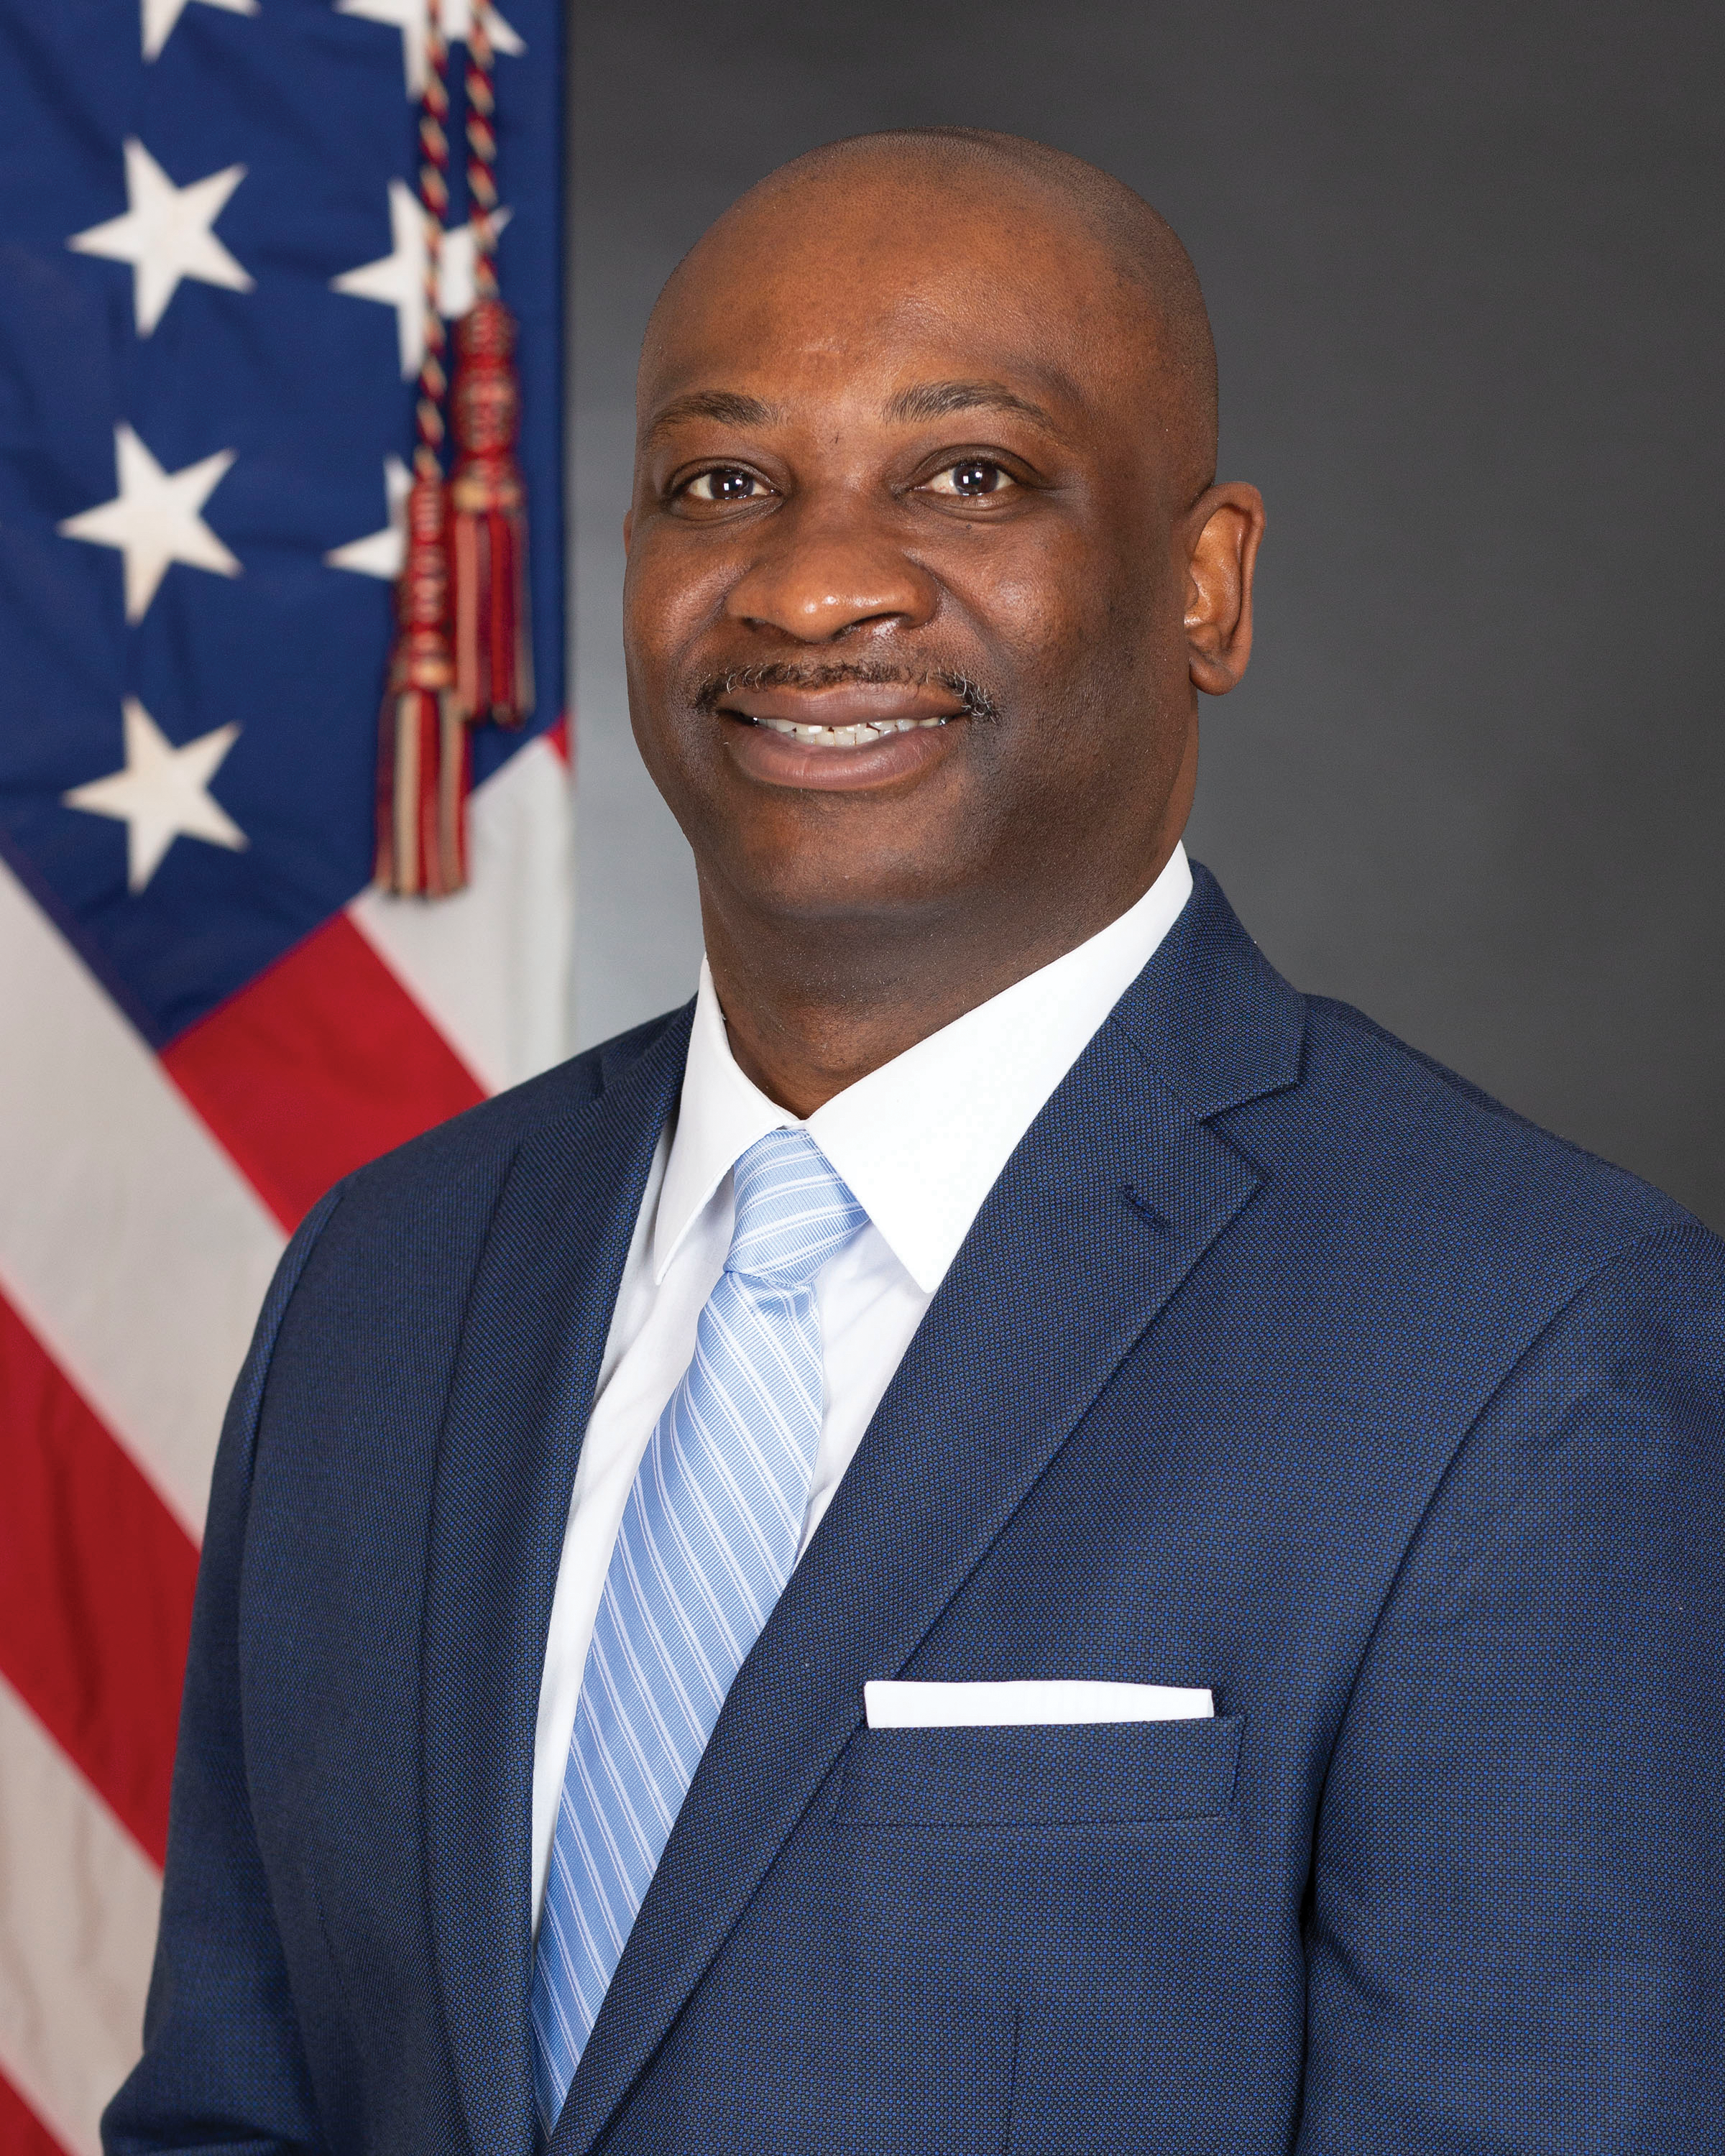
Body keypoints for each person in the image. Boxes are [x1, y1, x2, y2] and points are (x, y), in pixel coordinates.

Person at [108, 130, 1723, 2156]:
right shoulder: (389, 1270)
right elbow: (237, 2118)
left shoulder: (1528, 1335)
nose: (811, 581)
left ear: (1207, 581)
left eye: (970, 474)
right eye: (723, 481)